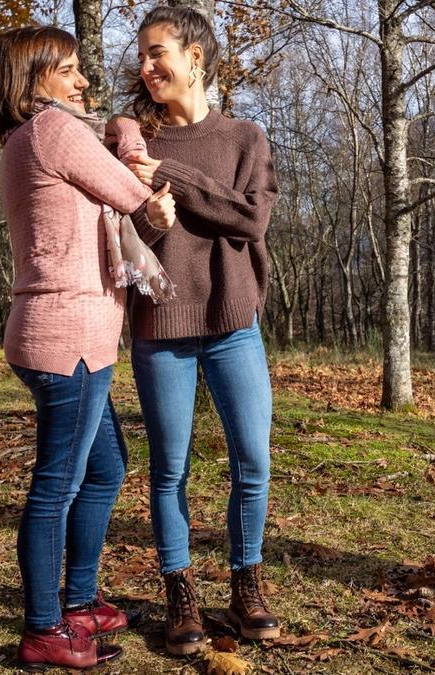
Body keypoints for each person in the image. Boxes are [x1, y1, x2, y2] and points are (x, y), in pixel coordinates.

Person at [0, 25, 176, 670]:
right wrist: (127, 134)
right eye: (67, 70)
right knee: (56, 486)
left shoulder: (26, 139)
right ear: (33, 78)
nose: (82, 80)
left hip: (59, 331)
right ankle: (44, 629)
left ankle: (79, 602)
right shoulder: (53, 132)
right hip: (68, 338)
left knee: (105, 470)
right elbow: (137, 199)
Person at [109, 5, 279, 655]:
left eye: (159, 53)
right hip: (161, 324)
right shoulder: (131, 145)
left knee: (254, 460)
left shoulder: (245, 138)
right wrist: (151, 216)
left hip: (234, 321)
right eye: (142, 56)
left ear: (197, 56)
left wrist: (171, 178)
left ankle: (245, 582)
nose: (146, 67)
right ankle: (180, 589)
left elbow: (248, 220)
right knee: (169, 468)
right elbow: (123, 244)